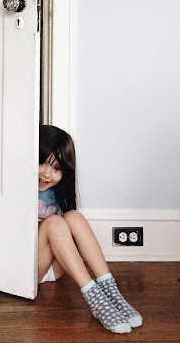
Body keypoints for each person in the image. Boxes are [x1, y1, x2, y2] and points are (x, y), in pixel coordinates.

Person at [38, 125, 142, 334]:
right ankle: (94, 297)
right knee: (54, 223)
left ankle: (110, 292)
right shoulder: (16, 188)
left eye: (56, 168)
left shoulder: (54, 192)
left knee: (73, 217)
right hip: (28, 269)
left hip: (53, 267)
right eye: (41, 162)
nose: (47, 173)